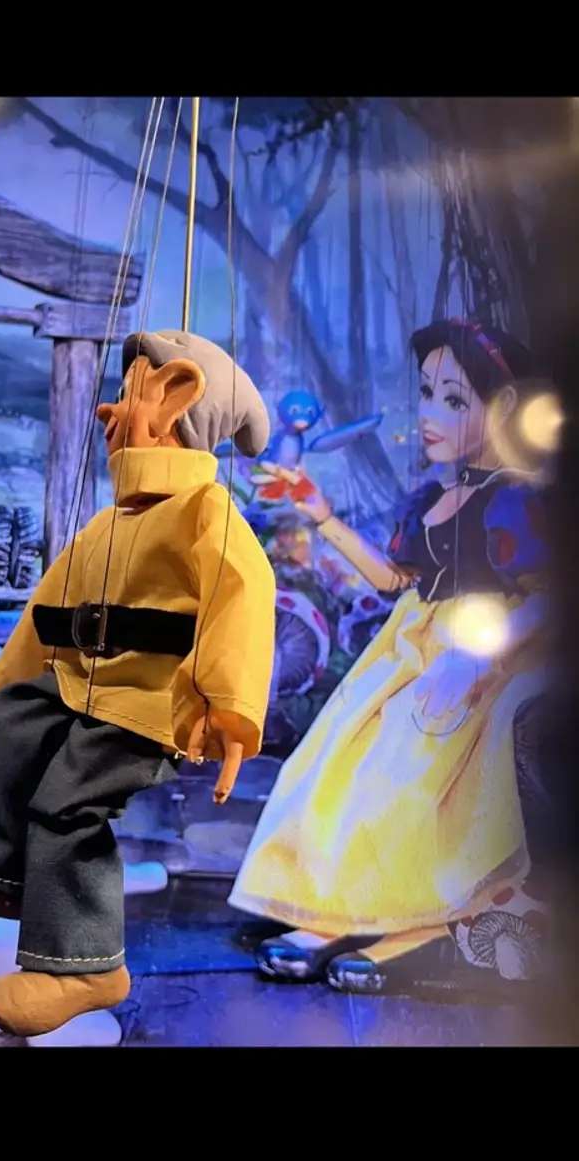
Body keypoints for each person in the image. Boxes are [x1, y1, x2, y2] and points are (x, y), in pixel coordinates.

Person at [0, 329, 277, 1036]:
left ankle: (83, 964)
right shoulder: (111, 522)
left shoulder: (204, 512)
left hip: (149, 703)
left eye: (128, 394)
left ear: (178, 398)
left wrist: (229, 708)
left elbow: (244, 599)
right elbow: (55, 597)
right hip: (84, 683)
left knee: (68, 800)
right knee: (11, 722)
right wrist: (16, 678)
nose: (107, 411)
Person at [229, 318, 551, 992]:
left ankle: (419, 929)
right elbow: (393, 579)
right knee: (337, 758)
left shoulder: (516, 497)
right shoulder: (433, 496)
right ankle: (335, 911)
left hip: (476, 653)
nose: (430, 413)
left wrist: (476, 657)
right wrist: (321, 515)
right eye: (427, 393)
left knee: (406, 766)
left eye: (453, 399)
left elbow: (552, 594)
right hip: (408, 647)